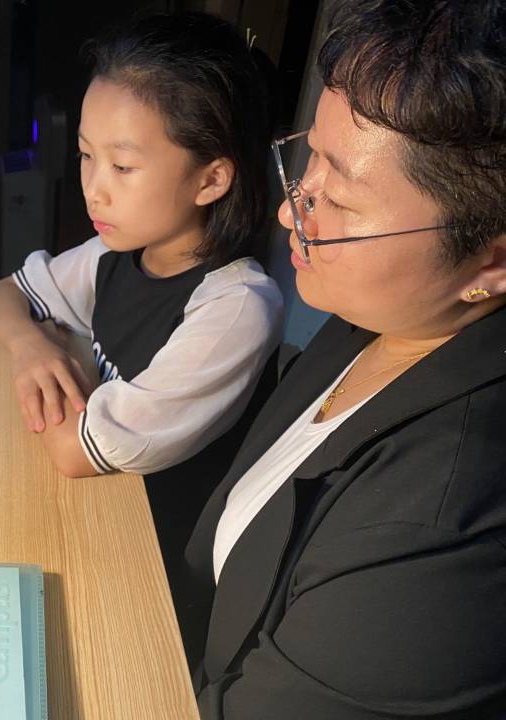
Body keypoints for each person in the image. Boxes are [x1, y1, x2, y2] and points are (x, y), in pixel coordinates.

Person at [178, 1, 506, 716]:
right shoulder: (378, 322)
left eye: (343, 202)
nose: (290, 212)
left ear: (493, 260)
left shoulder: (440, 536)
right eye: (310, 161)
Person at [0, 13, 283, 576]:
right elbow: (1, 296)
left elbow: (72, 453)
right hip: (94, 511)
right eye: (86, 155)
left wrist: (67, 350)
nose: (93, 189)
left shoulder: (236, 306)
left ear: (211, 179)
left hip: (151, 560)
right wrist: (33, 347)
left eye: (122, 166)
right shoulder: (119, 251)